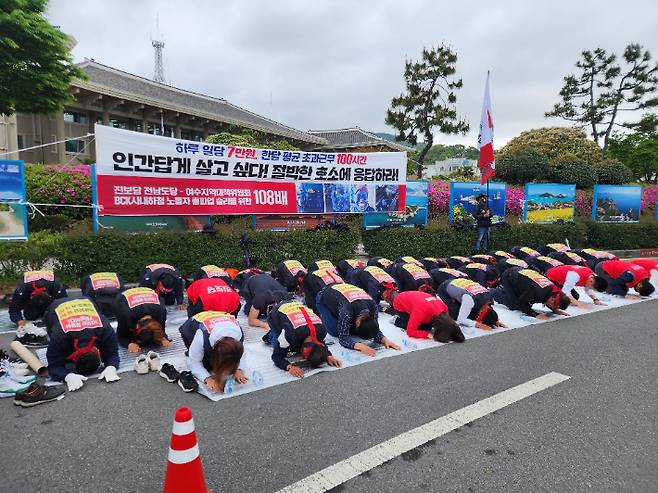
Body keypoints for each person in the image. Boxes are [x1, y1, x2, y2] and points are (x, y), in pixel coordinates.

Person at [44, 297, 120, 392]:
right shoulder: (58, 337)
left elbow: (112, 354)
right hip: (54, 308)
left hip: (86, 301)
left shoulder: (104, 328)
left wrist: (111, 367)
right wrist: (67, 376)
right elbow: (54, 366)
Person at [315, 283, 400, 355]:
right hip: (323, 298)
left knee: (356, 329)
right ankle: (325, 316)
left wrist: (384, 340)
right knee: (335, 331)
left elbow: (374, 328)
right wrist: (359, 346)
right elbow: (343, 338)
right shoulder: (347, 312)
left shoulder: (373, 306)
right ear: (358, 322)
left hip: (343, 294)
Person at [266, 300, 342, 378]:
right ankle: (269, 336)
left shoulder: (322, 330)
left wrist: (328, 356)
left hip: (297, 308)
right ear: (304, 350)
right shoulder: (290, 334)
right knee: (278, 344)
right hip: (276, 313)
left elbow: (322, 344)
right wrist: (289, 367)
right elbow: (276, 356)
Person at [179, 311, 248, 393]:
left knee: (227, 361)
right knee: (207, 366)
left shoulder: (238, 334)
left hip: (217, 317)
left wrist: (238, 369)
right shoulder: (202, 335)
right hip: (191, 326)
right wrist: (207, 378)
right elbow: (194, 362)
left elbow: (240, 354)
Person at [493, 267, 571, 320]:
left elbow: (552, 300)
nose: (554, 308)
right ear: (552, 300)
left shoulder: (554, 291)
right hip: (509, 276)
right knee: (514, 305)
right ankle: (494, 292)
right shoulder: (536, 291)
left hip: (524, 277)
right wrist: (535, 314)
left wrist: (555, 310)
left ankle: (506, 292)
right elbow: (521, 303)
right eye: (554, 306)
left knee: (525, 300)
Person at [386, 290, 465, 342]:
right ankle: (396, 320)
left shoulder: (444, 308)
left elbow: (449, 324)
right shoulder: (420, 312)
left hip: (418, 301)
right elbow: (410, 332)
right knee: (419, 327)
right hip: (399, 303)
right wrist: (427, 335)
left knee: (426, 326)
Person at [114, 287, 169, 353]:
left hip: (148, 293)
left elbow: (161, 330)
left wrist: (163, 338)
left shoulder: (161, 313)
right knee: (129, 335)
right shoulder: (125, 315)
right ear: (137, 326)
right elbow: (120, 336)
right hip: (123, 297)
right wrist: (128, 344)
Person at [437, 278, 505, 331]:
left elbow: (489, 309)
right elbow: (460, 320)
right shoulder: (469, 300)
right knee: (455, 315)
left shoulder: (489, 297)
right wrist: (478, 324)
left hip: (460, 283)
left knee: (470, 313)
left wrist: (495, 320)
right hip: (444, 287)